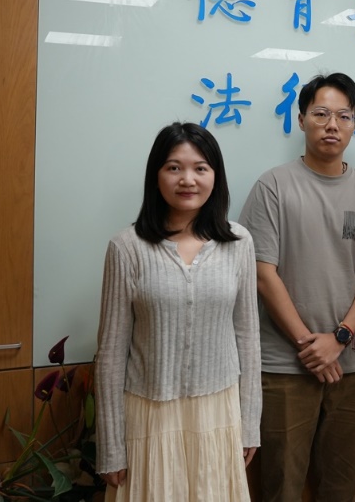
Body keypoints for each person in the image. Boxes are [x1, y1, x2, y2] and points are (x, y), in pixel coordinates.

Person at [238, 72, 355, 502]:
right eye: (321, 114)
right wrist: (309, 346)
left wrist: (338, 339)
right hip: (285, 366)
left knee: (341, 485)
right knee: (281, 486)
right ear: (301, 119)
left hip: (352, 364)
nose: (332, 124)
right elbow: (262, 272)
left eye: (344, 115)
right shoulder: (273, 185)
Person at [95, 122, 260, 501]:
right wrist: (111, 446)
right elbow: (111, 353)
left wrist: (250, 425)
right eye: (174, 167)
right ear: (156, 176)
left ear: (215, 177)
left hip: (218, 413)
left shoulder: (238, 242)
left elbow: (248, 338)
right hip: (149, 416)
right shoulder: (127, 247)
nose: (188, 179)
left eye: (200, 168)